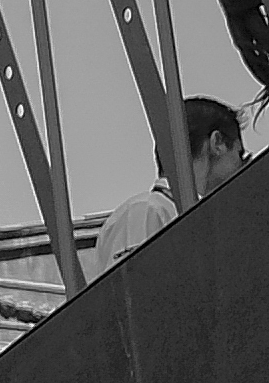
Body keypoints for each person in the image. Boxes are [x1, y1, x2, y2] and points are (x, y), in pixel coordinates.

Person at [86, 92, 249, 281]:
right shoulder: (146, 211)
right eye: (239, 154)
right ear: (218, 142)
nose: (241, 167)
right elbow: (135, 291)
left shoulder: (174, 213)